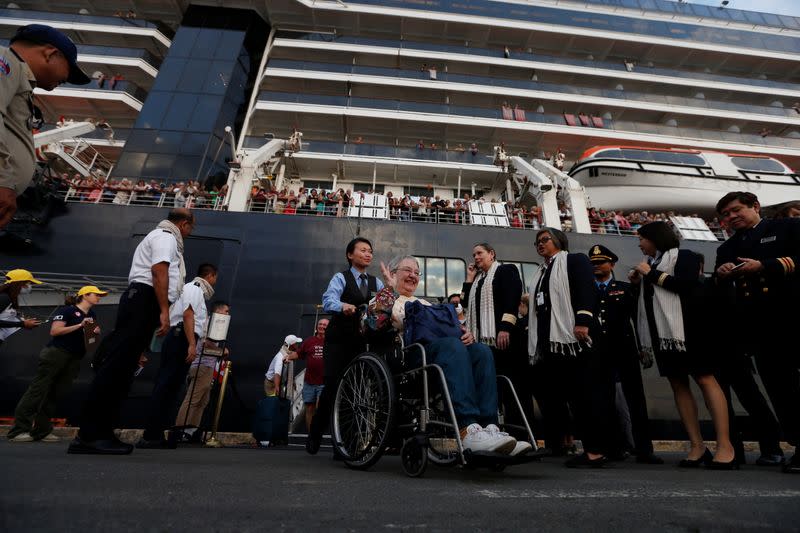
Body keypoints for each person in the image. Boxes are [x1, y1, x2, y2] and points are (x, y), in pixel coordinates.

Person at [69, 208, 194, 455]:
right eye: (191, 227)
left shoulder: (164, 237)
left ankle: (102, 432)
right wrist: (164, 311)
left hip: (144, 301)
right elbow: (159, 272)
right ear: (183, 224)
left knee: (124, 369)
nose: (190, 233)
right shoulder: (165, 237)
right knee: (116, 367)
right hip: (144, 299)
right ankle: (90, 435)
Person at [373, 255, 527, 455]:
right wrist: (390, 289)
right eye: (407, 271)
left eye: (416, 272)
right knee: (453, 347)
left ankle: (490, 428)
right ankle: (468, 429)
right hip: (412, 358)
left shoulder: (425, 304)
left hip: (445, 356)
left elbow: (454, 328)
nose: (413, 276)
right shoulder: (384, 297)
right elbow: (371, 325)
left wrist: (467, 334)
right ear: (393, 274)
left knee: (481, 351)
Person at [630, 221, 736, 469]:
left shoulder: (685, 256)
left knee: (705, 379)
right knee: (678, 384)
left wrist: (651, 274)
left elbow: (689, 287)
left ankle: (725, 444)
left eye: (642, 238)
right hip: (664, 335)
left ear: (656, 238)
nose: (639, 243)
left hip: (691, 331)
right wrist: (638, 283)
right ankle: (697, 445)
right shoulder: (652, 264)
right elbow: (649, 303)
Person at [714, 192, 800, 474]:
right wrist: (724, 271)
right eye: (725, 214)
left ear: (755, 206)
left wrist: (766, 265)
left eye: (736, 210)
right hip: (760, 329)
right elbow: (720, 278)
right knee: (781, 390)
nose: (731, 217)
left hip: (791, 317)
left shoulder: (785, 228)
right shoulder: (726, 248)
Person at [528, 228, 607, 468]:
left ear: (559, 241)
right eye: (537, 242)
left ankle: (594, 451)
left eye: (545, 240)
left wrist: (583, 320)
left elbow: (587, 289)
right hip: (550, 344)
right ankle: (562, 443)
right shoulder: (541, 272)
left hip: (572, 341)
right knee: (558, 397)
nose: (540, 244)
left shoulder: (574, 260)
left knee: (582, 396)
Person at [0, 25, 90, 230]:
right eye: (69, 69)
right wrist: (2, 180)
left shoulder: (17, 74)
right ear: (50, 53)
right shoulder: (6, 60)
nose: (66, 80)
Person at [306, 237, 384, 455]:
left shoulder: (376, 283)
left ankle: (346, 444)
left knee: (354, 391)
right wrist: (343, 306)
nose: (368, 254)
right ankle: (315, 434)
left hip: (361, 343)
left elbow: (383, 305)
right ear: (350, 255)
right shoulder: (341, 278)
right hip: (338, 341)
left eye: (370, 251)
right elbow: (329, 300)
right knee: (331, 389)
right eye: (363, 250)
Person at [587, 244, 662, 464]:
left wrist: (642, 348)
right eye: (593, 263)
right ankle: (613, 447)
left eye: (600, 262)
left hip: (624, 349)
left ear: (612, 264)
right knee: (605, 400)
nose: (596, 266)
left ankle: (644, 449)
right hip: (598, 351)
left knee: (635, 399)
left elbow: (638, 319)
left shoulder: (625, 288)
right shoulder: (587, 290)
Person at [8, 286, 105, 443]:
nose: (100, 297)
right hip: (57, 353)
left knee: (56, 393)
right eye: (97, 294)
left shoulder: (92, 314)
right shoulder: (68, 311)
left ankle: (42, 431)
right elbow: (55, 332)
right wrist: (80, 326)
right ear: (84, 295)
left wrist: (93, 333)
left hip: (74, 357)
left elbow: (91, 343)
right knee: (37, 390)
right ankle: (19, 430)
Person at [138, 263, 217, 449]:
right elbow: (188, 314)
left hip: (180, 337)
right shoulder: (194, 288)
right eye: (215, 278)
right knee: (166, 386)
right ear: (211, 276)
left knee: (170, 387)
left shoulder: (194, 290)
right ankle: (151, 435)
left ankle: (155, 434)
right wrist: (191, 343)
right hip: (181, 337)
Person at [461, 243, 529, 436]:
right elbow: (465, 303)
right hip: (484, 344)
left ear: (492, 254)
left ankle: (521, 434)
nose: (475, 257)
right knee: (492, 390)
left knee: (513, 388)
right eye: (473, 254)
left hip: (504, 339)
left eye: (479, 253)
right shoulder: (477, 280)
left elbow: (512, 298)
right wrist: (469, 278)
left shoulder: (505, 270)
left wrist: (505, 328)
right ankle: (494, 432)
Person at [174, 301, 230, 437]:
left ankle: (190, 430)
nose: (228, 314)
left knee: (202, 401)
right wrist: (222, 350)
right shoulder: (211, 323)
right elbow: (206, 343)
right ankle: (180, 429)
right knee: (193, 399)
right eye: (226, 311)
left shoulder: (215, 325)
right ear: (219, 311)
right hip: (202, 365)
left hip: (207, 366)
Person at [297, 318, 328, 431]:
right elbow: (299, 354)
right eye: (320, 324)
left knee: (320, 409)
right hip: (309, 381)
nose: (322, 326)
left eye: (324, 324)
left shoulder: (331, 342)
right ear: (317, 326)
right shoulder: (309, 341)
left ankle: (317, 433)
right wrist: (287, 357)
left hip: (323, 382)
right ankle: (311, 435)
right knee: (309, 408)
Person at [0, 269, 42, 346]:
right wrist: (22, 324)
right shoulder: (4, 298)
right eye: (29, 283)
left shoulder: (9, 297)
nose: (30, 286)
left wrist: (21, 321)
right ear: (20, 284)